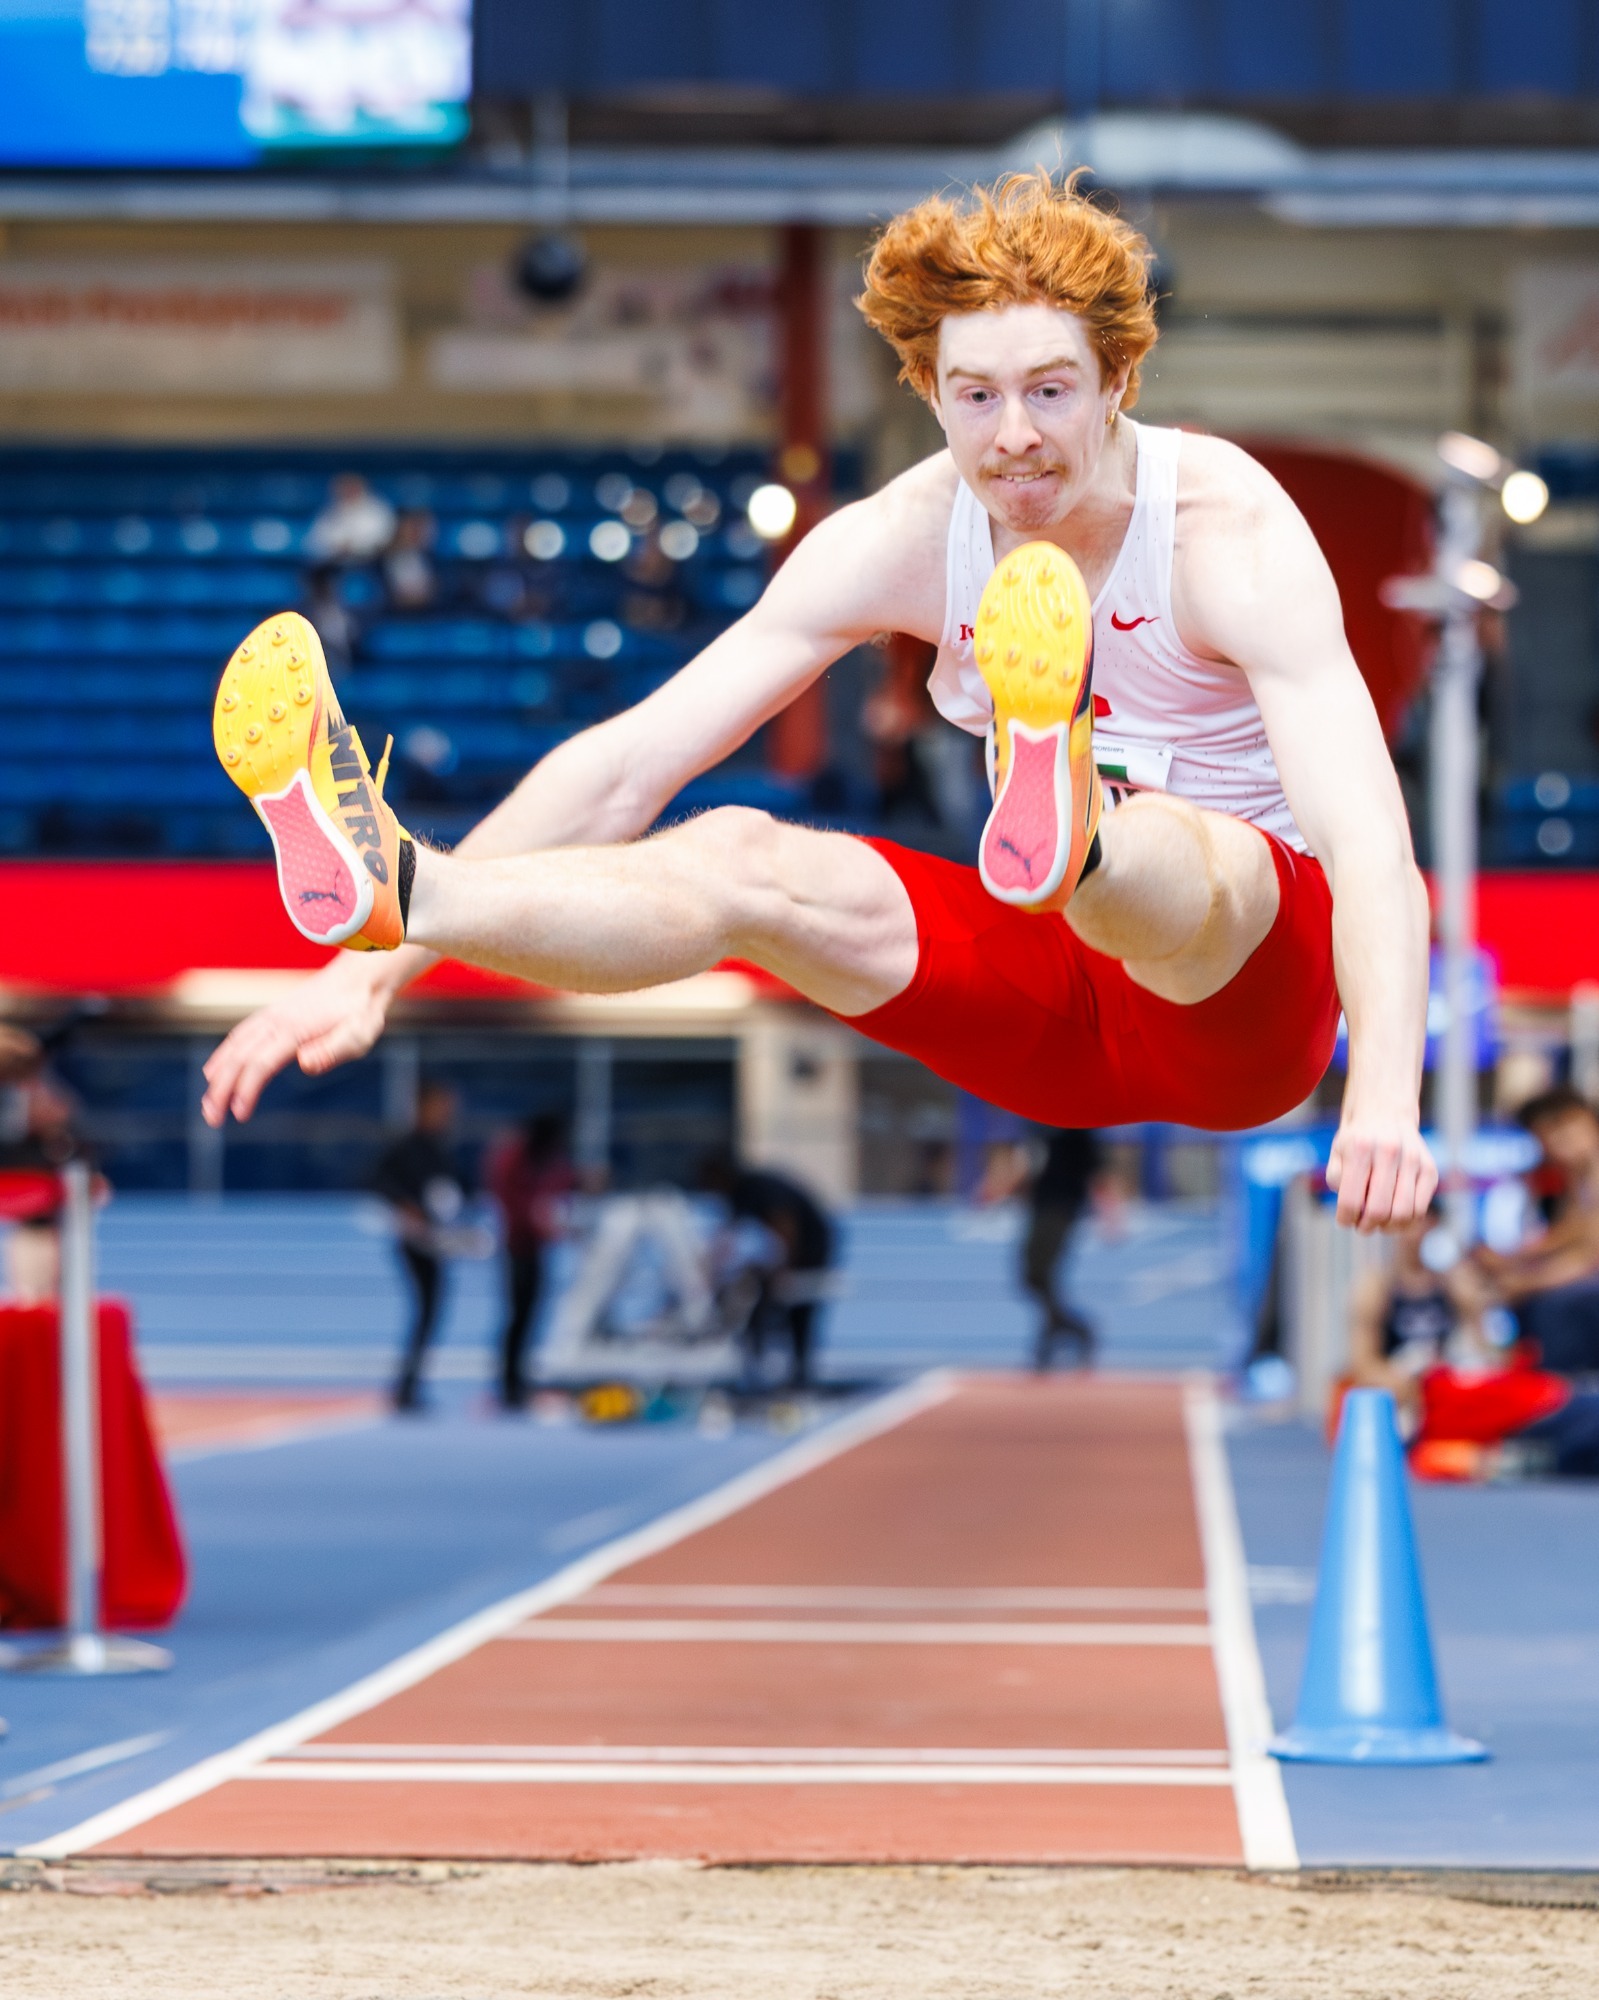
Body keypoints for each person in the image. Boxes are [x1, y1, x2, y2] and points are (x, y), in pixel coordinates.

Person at [201, 171, 1433, 1238]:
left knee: (1193, 848)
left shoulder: (1226, 529)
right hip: (1041, 1004)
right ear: (929, 388)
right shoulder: (896, 537)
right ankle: (416, 885)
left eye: (1052, 391)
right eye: (975, 396)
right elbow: (633, 764)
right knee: (739, 854)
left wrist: (1384, 1094)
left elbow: (1370, 843)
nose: (1013, 437)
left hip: (1245, 1004)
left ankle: (1083, 821)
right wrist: (377, 973)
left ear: (1118, 378)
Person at [1471, 1086, 1599, 1375]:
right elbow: (1574, 1233)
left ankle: (1561, 1391)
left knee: (1552, 1305)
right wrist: (1515, 1260)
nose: (1554, 1145)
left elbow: (1589, 1259)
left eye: (1561, 1132)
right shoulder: (1579, 1176)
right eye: (1546, 1138)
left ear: (1585, 1120)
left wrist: (1525, 1282)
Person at [371, 1080, 467, 1413]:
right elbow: (377, 1181)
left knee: (431, 1312)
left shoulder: (439, 1147)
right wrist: (406, 1205)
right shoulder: (408, 1146)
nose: (448, 1114)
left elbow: (452, 1189)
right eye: (441, 1107)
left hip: (435, 1240)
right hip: (415, 1240)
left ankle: (410, 1386)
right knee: (425, 1310)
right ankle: (406, 1387)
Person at [700, 1152, 833, 1389]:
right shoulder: (737, 1194)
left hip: (812, 1245)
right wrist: (713, 1269)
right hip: (793, 1248)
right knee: (755, 1298)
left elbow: (785, 1223)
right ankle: (755, 1362)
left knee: (797, 1308)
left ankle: (799, 1372)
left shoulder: (754, 1186)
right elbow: (729, 1234)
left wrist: (784, 1268)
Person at [485, 1110, 575, 1410]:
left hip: (534, 1247)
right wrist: (538, 1223)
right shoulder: (514, 1157)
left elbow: (561, 1181)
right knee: (516, 1316)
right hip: (516, 1247)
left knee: (529, 1315)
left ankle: (518, 1380)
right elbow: (512, 1201)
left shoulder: (542, 1159)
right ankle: (508, 1383)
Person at [1022, 1127, 1106, 1370]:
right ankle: (1067, 1327)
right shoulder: (1034, 1116)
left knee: (1042, 1273)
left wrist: (1109, 1210)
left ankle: (1064, 1332)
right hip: (1040, 1205)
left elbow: (1096, 1166)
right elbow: (1030, 1159)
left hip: (1064, 1206)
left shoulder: (1079, 1123)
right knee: (1032, 1277)